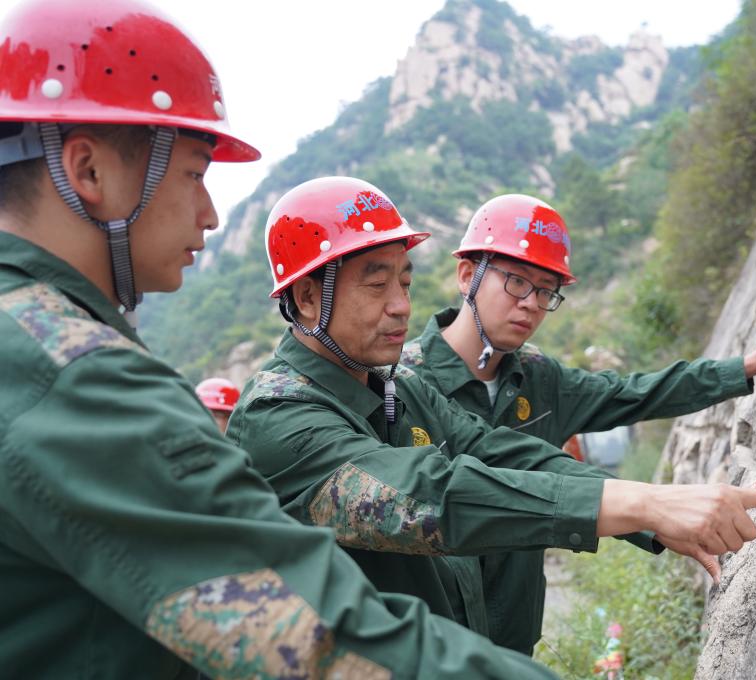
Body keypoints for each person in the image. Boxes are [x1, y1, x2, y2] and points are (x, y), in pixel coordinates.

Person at [0, 1, 580, 676]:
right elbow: (314, 634)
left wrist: (618, 501)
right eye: (194, 172)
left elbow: (479, 455)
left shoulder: (45, 352)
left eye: (405, 282)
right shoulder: (76, 378)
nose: (212, 214)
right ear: (89, 171)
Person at [227, 175, 756, 641]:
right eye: (377, 286)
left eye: (405, 283)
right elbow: (433, 495)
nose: (401, 306)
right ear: (308, 296)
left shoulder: (398, 386)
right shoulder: (279, 416)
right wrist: (646, 502)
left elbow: (503, 452)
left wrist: (649, 513)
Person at [400, 193, 756, 653]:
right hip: (431, 640)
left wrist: (742, 368)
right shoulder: (403, 384)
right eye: (516, 281)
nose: (532, 304)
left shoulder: (537, 378)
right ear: (465, 276)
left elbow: (631, 393)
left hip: (512, 633)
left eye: (546, 290)